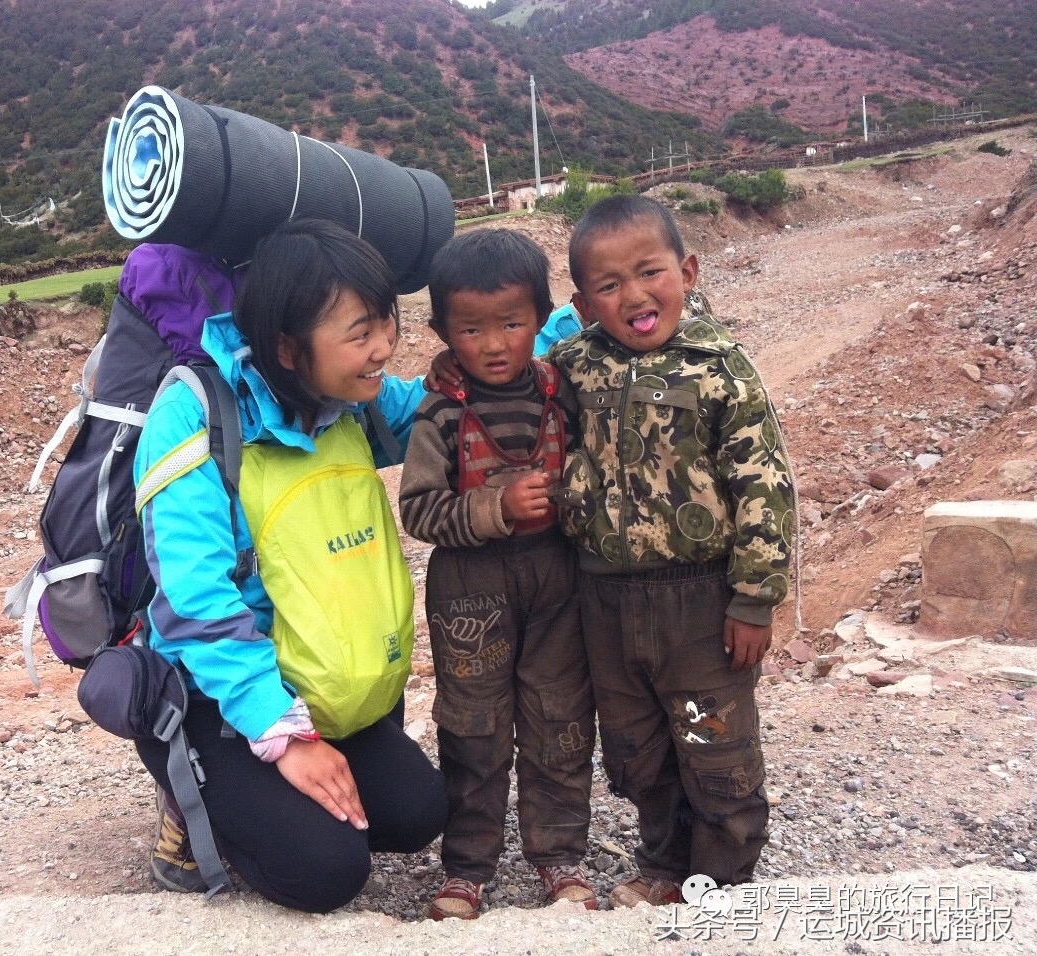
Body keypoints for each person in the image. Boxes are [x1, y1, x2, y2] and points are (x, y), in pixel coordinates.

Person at [132, 219, 447, 914]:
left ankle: (269, 792)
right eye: (360, 333)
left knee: (418, 812)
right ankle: (191, 811)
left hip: (313, 680)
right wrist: (287, 738)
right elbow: (194, 601)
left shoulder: (347, 405)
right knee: (327, 870)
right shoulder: (194, 418)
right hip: (216, 702)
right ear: (286, 348)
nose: (383, 349)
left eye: (387, 324)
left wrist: (535, 345)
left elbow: (437, 408)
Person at [550, 195, 794, 907]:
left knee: (713, 740)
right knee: (637, 748)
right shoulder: (569, 368)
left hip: (700, 603)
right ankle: (662, 864)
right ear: (584, 303)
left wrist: (754, 598)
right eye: (609, 284)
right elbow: (504, 395)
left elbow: (763, 485)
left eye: (650, 272)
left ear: (686, 271)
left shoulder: (721, 368)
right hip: (605, 603)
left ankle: (722, 877)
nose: (635, 295)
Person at [399, 229, 596, 921]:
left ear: (541, 317)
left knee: (559, 717)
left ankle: (559, 855)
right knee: (474, 727)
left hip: (557, 579)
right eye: (471, 328)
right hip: (469, 591)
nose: (492, 343)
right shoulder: (440, 411)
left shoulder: (564, 389)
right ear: (442, 332)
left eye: (511, 323)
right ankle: (468, 868)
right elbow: (420, 511)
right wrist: (494, 507)